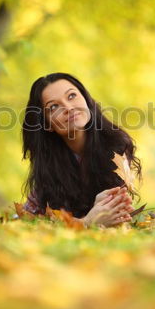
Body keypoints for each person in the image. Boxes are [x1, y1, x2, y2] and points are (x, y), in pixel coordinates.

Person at [20, 72, 142, 228]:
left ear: (86, 99)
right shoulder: (49, 162)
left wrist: (100, 206)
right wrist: (88, 221)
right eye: (54, 106)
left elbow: (117, 211)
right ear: (47, 124)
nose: (69, 108)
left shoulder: (116, 145)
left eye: (71, 96)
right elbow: (28, 220)